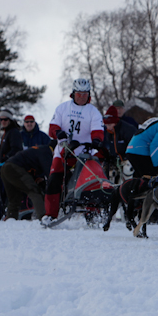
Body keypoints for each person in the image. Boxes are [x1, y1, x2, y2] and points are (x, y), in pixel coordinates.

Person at [44, 78, 105, 219]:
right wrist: (58, 132)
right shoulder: (62, 108)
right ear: (73, 93)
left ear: (89, 95)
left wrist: (96, 140)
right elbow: (53, 127)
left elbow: (97, 130)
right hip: (64, 149)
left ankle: (93, 212)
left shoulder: (93, 111)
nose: (82, 97)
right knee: (54, 179)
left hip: (84, 151)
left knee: (92, 179)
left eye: (85, 94)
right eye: (79, 94)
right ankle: (50, 214)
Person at [0, 142, 54, 220]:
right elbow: (49, 172)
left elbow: (32, 166)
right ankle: (43, 217)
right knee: (34, 192)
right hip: (15, 168)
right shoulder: (46, 151)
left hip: (6, 168)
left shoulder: (37, 149)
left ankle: (10, 218)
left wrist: (39, 179)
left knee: (14, 199)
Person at [0, 109, 23, 221]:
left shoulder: (13, 132)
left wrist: (5, 159)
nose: (3, 121)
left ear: (10, 120)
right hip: (3, 168)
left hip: (9, 168)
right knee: (0, 194)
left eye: (5, 119)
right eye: (1, 119)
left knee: (2, 195)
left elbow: (16, 149)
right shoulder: (5, 133)